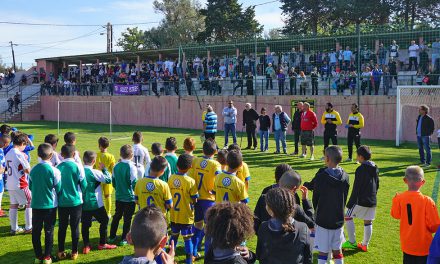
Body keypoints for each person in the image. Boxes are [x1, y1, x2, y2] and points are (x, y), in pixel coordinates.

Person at [304, 146, 350, 264]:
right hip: (338, 219)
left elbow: (316, 198)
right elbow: (344, 196)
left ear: (327, 158)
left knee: (323, 252)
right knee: (337, 251)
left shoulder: (321, 177)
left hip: (323, 220)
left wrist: (317, 210)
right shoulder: (346, 177)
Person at [391, 166, 440, 264]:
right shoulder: (427, 201)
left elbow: (395, 215)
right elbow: (434, 226)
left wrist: (395, 200)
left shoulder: (400, 198)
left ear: (405, 180)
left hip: (407, 245)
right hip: (424, 247)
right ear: (423, 182)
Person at [256, 188, 312, 264]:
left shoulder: (264, 227)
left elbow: (259, 255)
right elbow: (308, 258)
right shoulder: (303, 228)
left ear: (271, 209)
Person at [254, 165, 315, 234]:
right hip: (289, 241)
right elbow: (311, 224)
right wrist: (305, 201)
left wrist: (265, 237)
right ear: (294, 189)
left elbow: (255, 224)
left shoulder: (263, 198)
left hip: (266, 242)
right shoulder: (295, 207)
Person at [342, 146, 379, 252]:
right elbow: (377, 185)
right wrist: (373, 196)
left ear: (361, 157)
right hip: (372, 200)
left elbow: (356, 188)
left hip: (361, 200)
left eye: (357, 155)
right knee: (368, 221)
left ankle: (352, 242)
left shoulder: (360, 169)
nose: (356, 157)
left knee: (347, 216)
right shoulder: (375, 167)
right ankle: (364, 245)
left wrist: (350, 202)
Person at [189, 139, 222, 257]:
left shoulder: (196, 160)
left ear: (203, 150)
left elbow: (190, 177)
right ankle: (208, 254)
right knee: (209, 229)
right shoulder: (215, 164)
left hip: (197, 199)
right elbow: (219, 177)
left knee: (197, 225)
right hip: (209, 200)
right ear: (215, 152)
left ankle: (193, 251)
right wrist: (214, 190)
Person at [29, 143, 61, 264]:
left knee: (36, 231)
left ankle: (38, 256)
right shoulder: (55, 171)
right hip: (50, 205)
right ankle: (47, 256)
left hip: (36, 204)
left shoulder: (33, 169)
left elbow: (31, 187)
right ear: (52, 155)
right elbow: (59, 189)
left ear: (38, 154)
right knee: (49, 230)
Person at [81, 150, 117, 254]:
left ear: (84, 160)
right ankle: (102, 243)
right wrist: (104, 169)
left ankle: (86, 245)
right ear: (94, 161)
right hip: (96, 204)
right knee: (104, 220)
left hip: (83, 204)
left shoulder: (80, 170)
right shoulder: (95, 172)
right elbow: (108, 180)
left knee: (85, 225)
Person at [57, 144, 87, 260]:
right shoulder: (78, 166)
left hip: (62, 202)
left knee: (62, 227)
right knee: (75, 227)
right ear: (74, 154)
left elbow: (57, 185)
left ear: (61, 154)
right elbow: (84, 185)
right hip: (76, 202)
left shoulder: (58, 166)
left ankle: (60, 251)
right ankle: (74, 252)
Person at [168, 154, 198, 264]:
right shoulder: (190, 181)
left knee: (173, 238)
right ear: (190, 167)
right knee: (187, 239)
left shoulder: (171, 178)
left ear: (177, 165)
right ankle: (189, 261)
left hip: (174, 214)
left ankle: (169, 259)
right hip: (186, 216)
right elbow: (194, 199)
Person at [109, 145, 138, 246]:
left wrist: (119, 190)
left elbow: (113, 182)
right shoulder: (132, 167)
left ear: (120, 154)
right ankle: (124, 239)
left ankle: (111, 236)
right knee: (127, 218)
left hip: (119, 197)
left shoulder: (116, 166)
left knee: (117, 216)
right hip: (129, 198)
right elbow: (134, 183)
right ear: (132, 155)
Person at [5, 132, 32, 235]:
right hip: (20, 183)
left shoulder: (9, 152)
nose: (24, 148)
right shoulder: (19, 154)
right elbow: (28, 169)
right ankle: (29, 227)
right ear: (22, 143)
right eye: (25, 145)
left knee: (13, 205)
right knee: (30, 201)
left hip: (10, 183)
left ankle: (14, 228)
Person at [95, 136, 116, 218]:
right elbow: (113, 168)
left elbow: (93, 166)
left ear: (99, 145)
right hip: (108, 178)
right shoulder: (111, 156)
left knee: (97, 196)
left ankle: (97, 213)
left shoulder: (96, 155)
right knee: (108, 196)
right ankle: (108, 213)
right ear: (108, 145)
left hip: (98, 178)